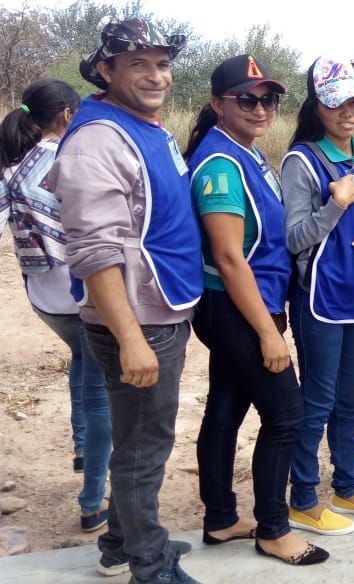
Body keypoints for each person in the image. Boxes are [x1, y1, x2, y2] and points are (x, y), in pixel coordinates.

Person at [49, 19, 203, 583]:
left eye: (162, 64)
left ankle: (120, 541)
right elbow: (94, 251)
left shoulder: (143, 127)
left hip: (159, 307)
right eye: (138, 64)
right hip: (138, 322)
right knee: (143, 448)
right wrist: (132, 339)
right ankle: (150, 564)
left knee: (142, 439)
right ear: (106, 70)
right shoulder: (97, 142)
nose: (156, 75)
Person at [184, 54, 328, 566]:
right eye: (247, 99)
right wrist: (268, 333)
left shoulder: (246, 152)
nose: (261, 108)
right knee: (287, 415)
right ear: (218, 104)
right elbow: (228, 258)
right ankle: (273, 529)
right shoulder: (221, 165)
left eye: (269, 99)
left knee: (225, 410)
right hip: (235, 309)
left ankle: (221, 518)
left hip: (246, 306)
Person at [281, 55, 354, 535]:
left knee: (349, 401)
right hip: (320, 298)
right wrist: (334, 205)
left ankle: (346, 487)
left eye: (353, 103)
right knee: (318, 401)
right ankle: (303, 499)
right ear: (317, 108)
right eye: (334, 104)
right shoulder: (301, 160)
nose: (346, 112)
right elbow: (293, 238)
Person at [0, 79, 112, 533]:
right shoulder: (71, 160)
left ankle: (83, 446)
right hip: (83, 292)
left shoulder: (12, 167)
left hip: (43, 298)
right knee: (102, 391)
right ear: (68, 114)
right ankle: (92, 502)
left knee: (82, 357)